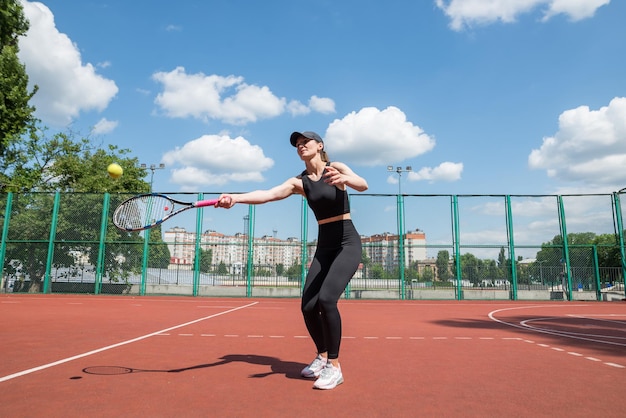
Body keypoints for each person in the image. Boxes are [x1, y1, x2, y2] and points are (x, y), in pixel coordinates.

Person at [216, 131, 368, 390]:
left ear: (319, 146)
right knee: (308, 306)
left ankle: (334, 366)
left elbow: (363, 184)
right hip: (324, 245)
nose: (300, 146)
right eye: (297, 144)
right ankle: (321, 357)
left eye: (305, 142)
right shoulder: (300, 183)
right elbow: (267, 194)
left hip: (347, 242)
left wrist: (346, 179)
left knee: (327, 300)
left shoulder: (336, 168)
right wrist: (236, 198)